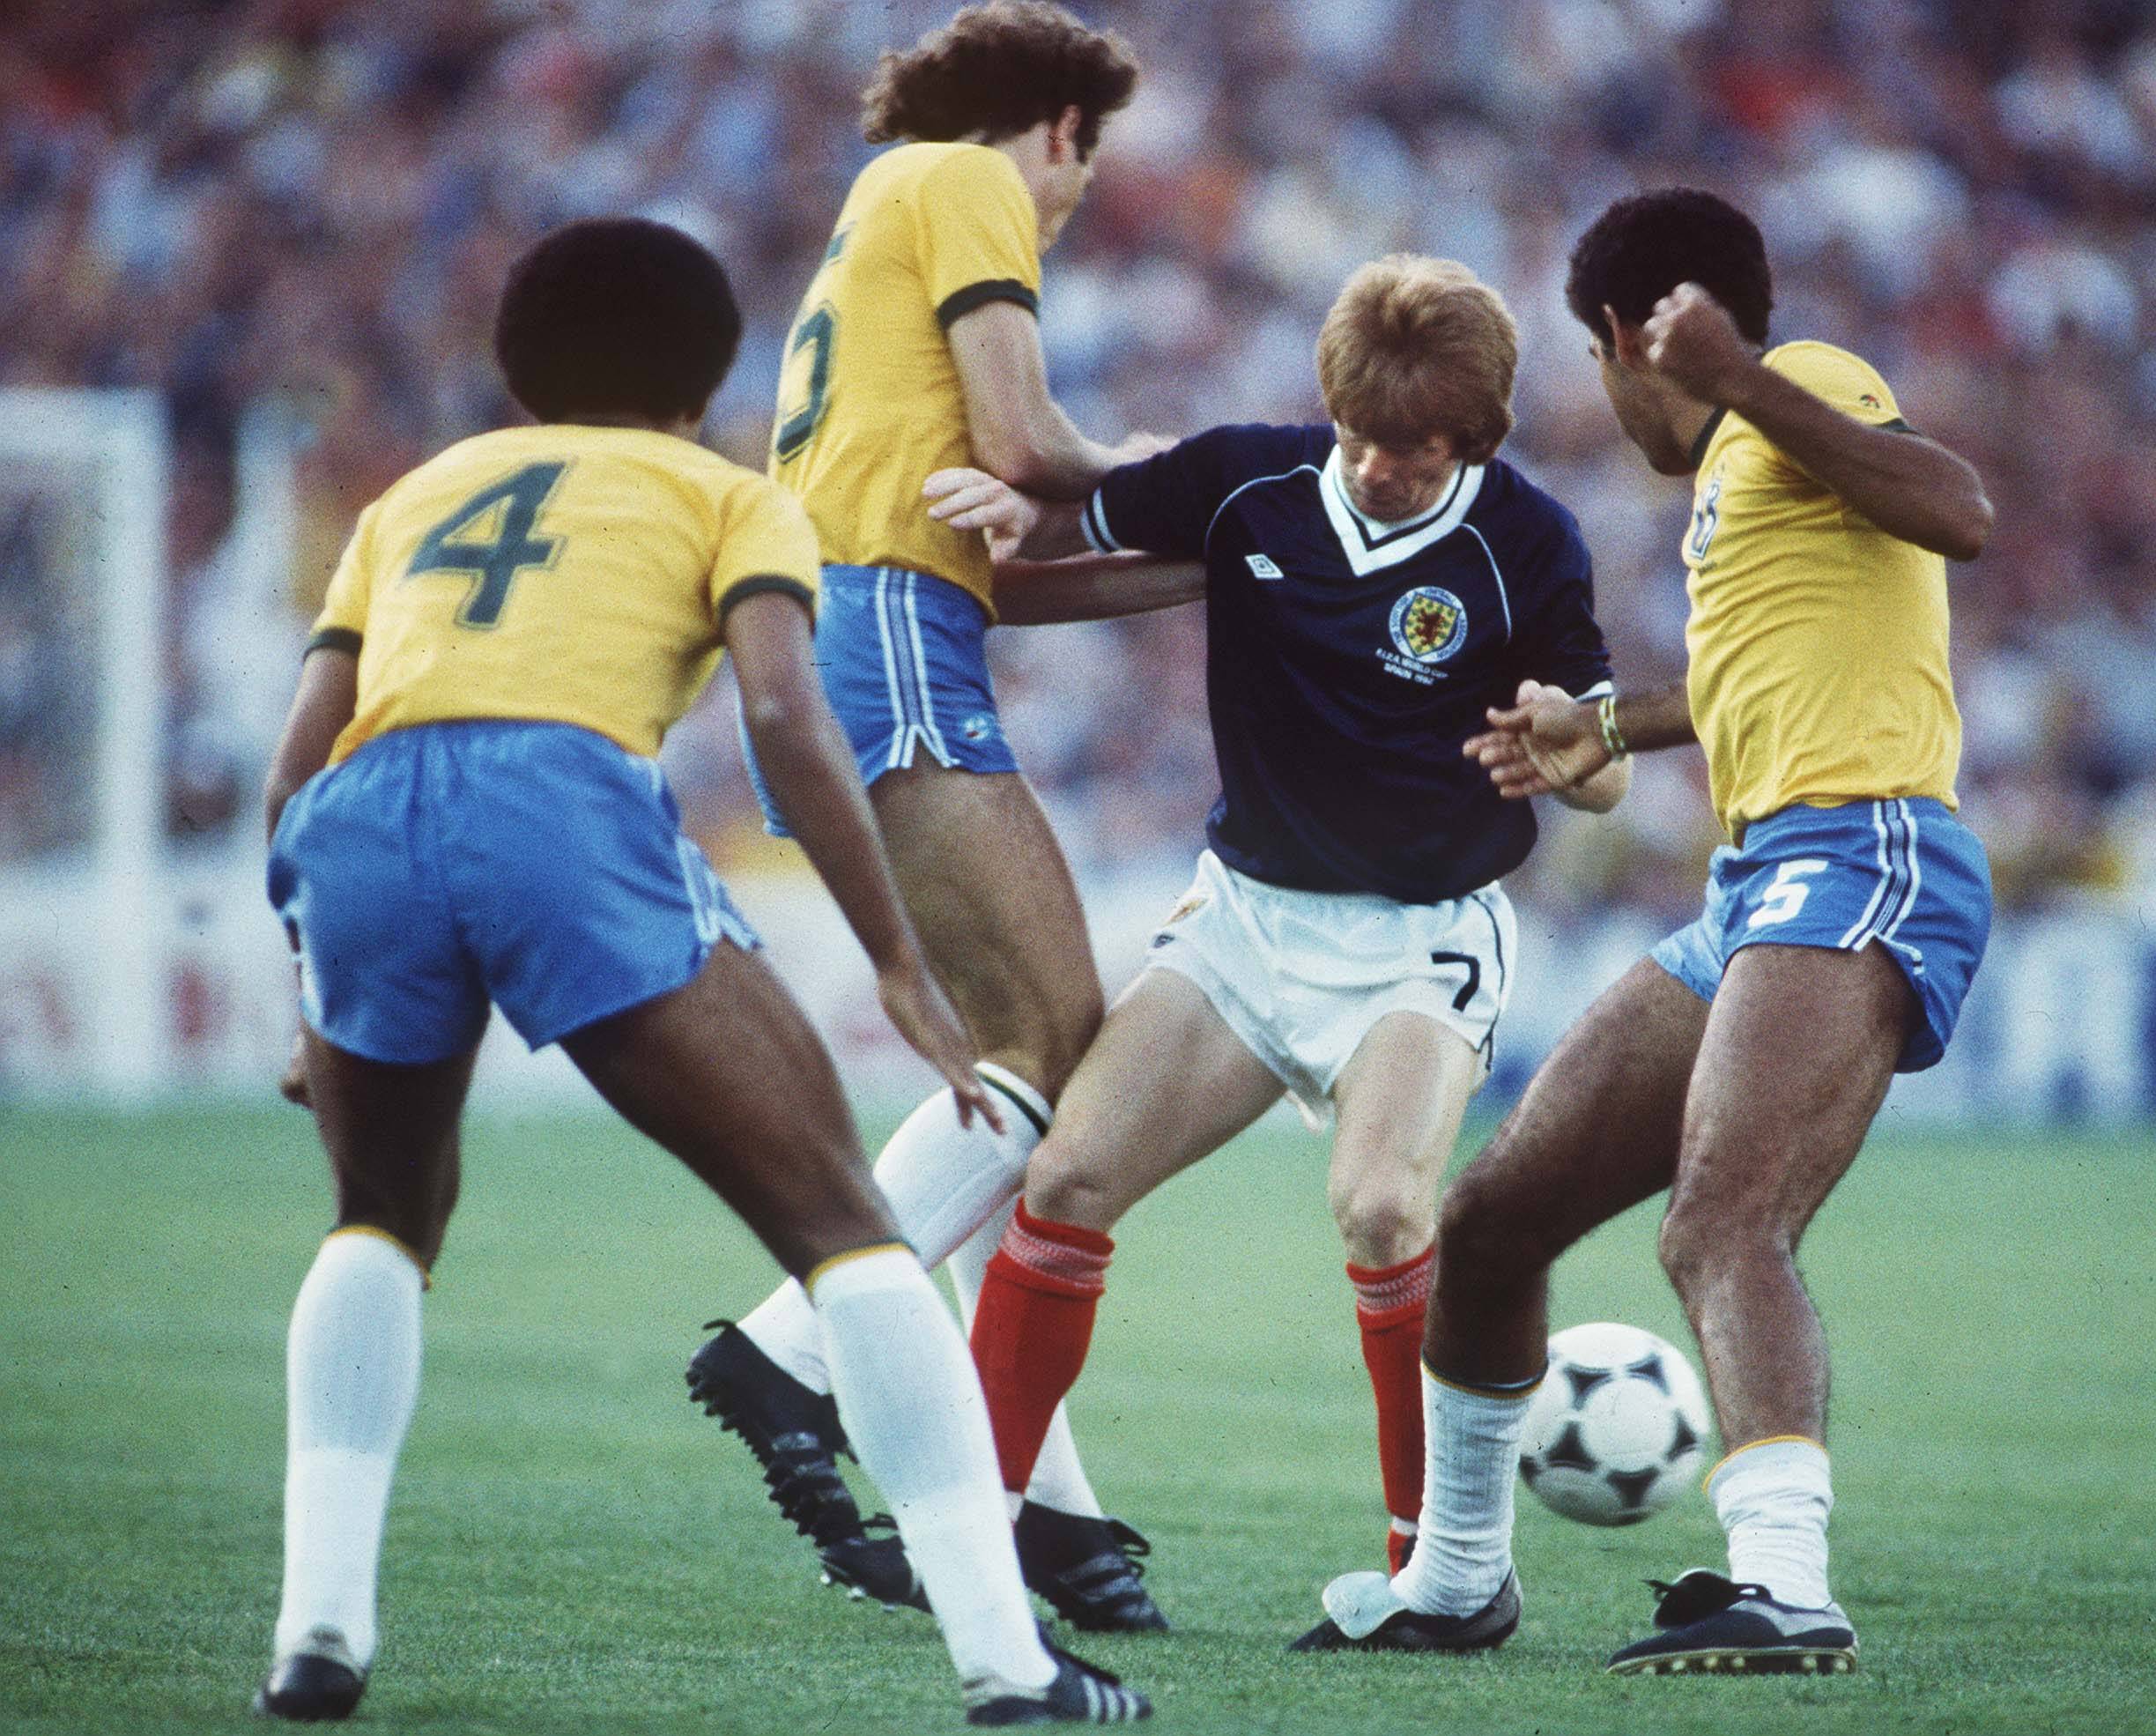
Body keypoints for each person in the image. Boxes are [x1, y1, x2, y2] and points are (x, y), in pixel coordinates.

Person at [253, 219, 1150, 1725]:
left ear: (516, 365)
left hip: (362, 821)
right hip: (556, 799)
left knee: (381, 1219)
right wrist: (896, 965)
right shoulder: (731, 492)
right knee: (848, 1227)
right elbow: (789, 716)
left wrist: (307, 986)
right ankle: (1013, 1667)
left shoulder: (412, 495)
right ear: (711, 370)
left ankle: (317, 1639)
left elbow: (299, 761)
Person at [1293, 188, 1996, 1673]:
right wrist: (1600, 723)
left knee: (1723, 1221)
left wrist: (1741, 371)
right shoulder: (1748, 471)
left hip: (1862, 844)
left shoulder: (1800, 393)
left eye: (1598, 363)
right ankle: (1458, 1578)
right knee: (1491, 1221)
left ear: (1625, 337)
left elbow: (1961, 509)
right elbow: (1758, 681)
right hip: (1764, 882)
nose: (1612, 401)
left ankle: (1788, 1585)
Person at [923, 254, 1624, 1579]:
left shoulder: (1526, 541)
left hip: (1420, 941)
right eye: (1358, 436)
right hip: (1245, 923)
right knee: (1066, 1178)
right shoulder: (1249, 474)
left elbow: (1603, 764)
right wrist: (999, 506)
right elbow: (1077, 508)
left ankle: (1437, 1556)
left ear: (1473, 441)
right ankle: (972, 1520)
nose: (1374, 470)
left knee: (1379, 1205)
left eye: (1411, 454)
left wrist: (1576, 753)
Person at [678, 0, 1182, 1633]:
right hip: (885, 629)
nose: (1075, 194)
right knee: (1057, 1028)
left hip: (864, 625)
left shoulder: (876, 216)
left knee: (996, 1080)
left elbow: (1006, 564)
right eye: (1082, 163)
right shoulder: (964, 181)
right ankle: (789, 1347)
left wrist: (1225, 565)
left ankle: (1046, 1511)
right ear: (1057, 127)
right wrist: (1193, 474)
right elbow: (1029, 446)